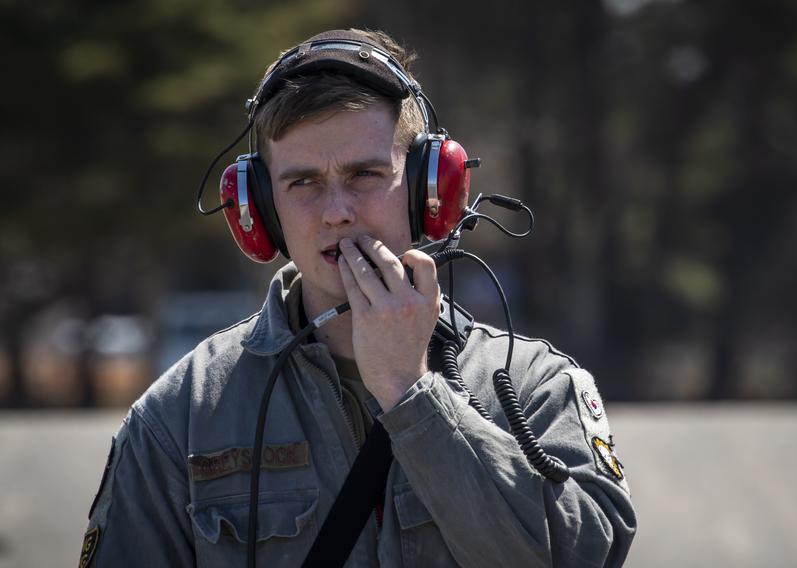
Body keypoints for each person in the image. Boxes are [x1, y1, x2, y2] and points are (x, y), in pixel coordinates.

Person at [80, 28, 636, 567]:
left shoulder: (539, 386)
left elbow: (582, 556)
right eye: (302, 183)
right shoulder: (182, 415)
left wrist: (411, 394)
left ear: (429, 191)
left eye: (365, 174)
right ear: (260, 208)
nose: (335, 211)